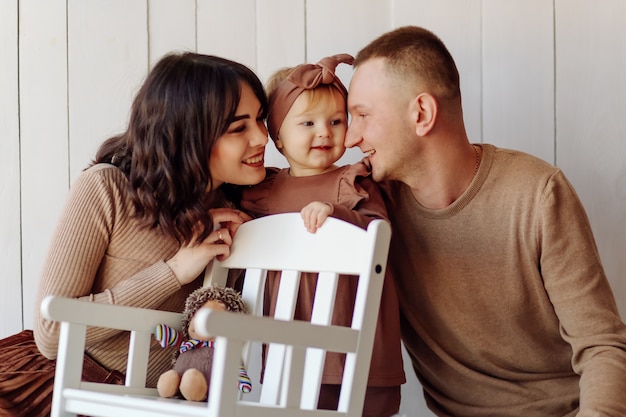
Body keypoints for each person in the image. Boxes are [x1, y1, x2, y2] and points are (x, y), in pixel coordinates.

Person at [344, 25, 626, 416]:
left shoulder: (537, 193)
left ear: (422, 114)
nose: (349, 137)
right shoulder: (372, 209)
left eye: (362, 115)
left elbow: (601, 345)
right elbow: (284, 195)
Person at [0, 51, 269, 416]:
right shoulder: (106, 188)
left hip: (150, 403)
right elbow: (51, 334)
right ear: (189, 134)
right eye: (239, 128)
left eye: (261, 119)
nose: (261, 138)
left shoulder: (244, 211)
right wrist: (174, 270)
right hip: (53, 384)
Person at [240, 54, 405, 417]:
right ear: (278, 138)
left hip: (357, 340)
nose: (324, 132)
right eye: (307, 123)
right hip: (290, 346)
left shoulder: (352, 180)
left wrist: (338, 215)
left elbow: (379, 232)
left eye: (335, 121)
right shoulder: (263, 192)